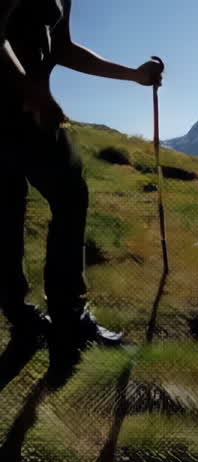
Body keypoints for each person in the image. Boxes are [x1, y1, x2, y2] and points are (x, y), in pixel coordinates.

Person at [2, 0, 163, 383]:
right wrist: (32, 91)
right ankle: (29, 318)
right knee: (11, 210)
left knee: (66, 197)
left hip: (35, 113)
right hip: (20, 108)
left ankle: (60, 318)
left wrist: (134, 76)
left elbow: (62, 48)